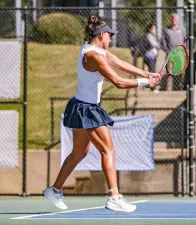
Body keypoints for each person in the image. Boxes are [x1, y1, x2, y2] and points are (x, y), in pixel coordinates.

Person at [43, 15, 160, 213]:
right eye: (110, 36)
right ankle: (114, 197)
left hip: (81, 106)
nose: (111, 40)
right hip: (86, 109)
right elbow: (118, 81)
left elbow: (120, 63)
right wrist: (144, 83)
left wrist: (147, 74)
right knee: (108, 150)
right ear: (102, 35)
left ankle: (54, 190)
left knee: (80, 152)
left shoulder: (94, 50)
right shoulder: (94, 56)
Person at [160, 13, 186, 91]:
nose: (174, 20)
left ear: (178, 20)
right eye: (173, 19)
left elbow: (185, 41)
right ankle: (165, 89)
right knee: (169, 71)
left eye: (175, 19)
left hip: (179, 54)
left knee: (179, 71)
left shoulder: (182, 30)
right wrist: (167, 50)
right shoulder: (166, 30)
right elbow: (163, 42)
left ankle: (177, 88)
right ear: (170, 20)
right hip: (170, 54)